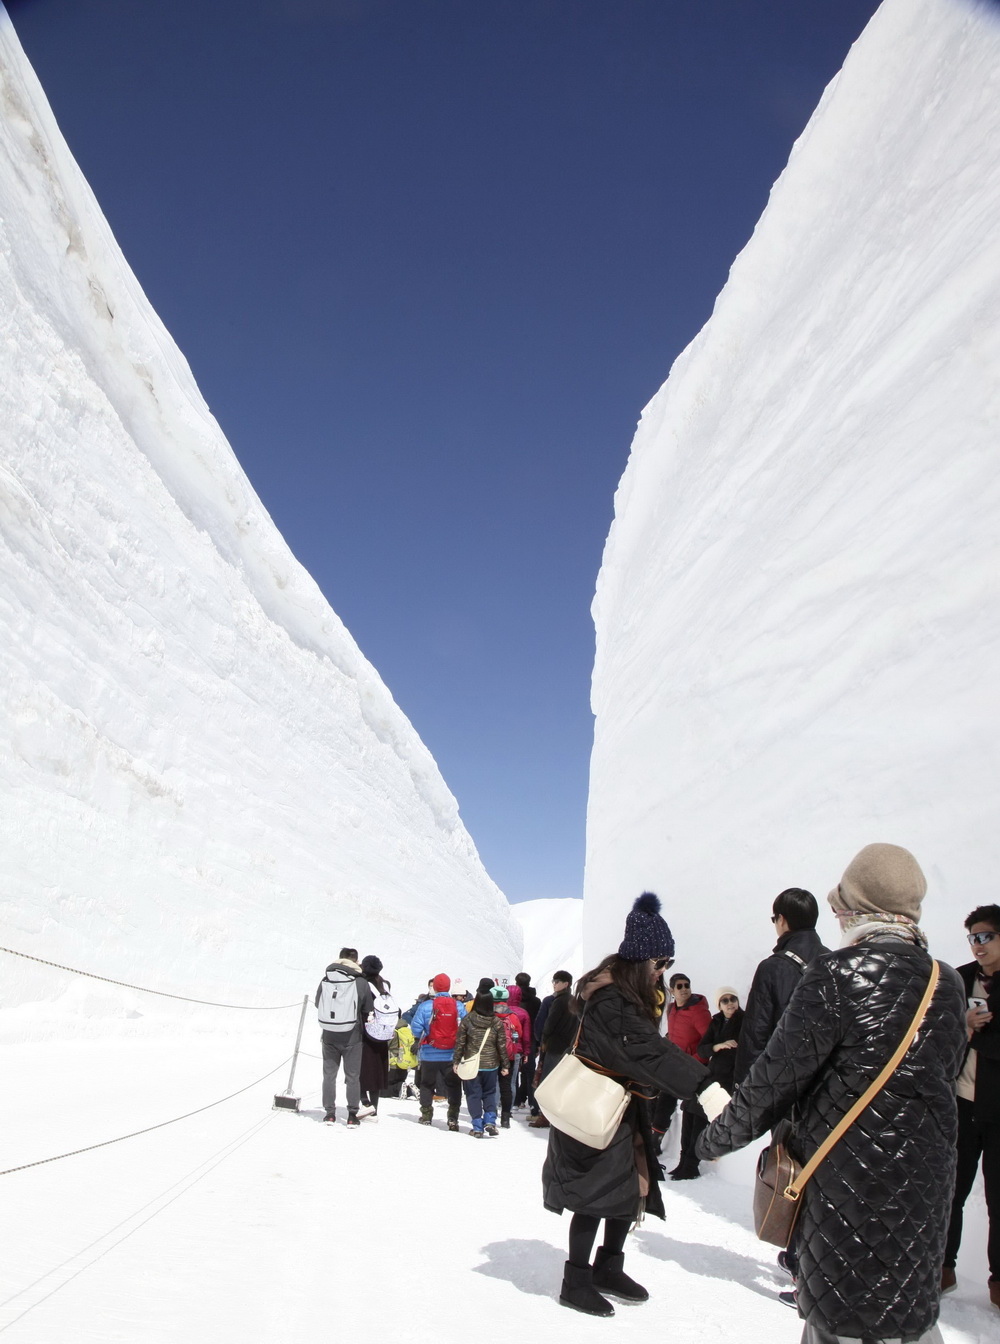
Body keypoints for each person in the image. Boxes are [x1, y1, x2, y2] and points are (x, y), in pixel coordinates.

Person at [697, 843, 967, 1344]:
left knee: (838, 1318)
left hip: (847, 1183)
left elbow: (775, 1079)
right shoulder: (946, 982)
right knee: (908, 1318)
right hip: (925, 1186)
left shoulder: (837, 974)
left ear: (854, 908)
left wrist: (714, 1139)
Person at [542, 892, 728, 1317]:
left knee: (629, 1190)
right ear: (641, 960)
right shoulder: (611, 1001)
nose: (664, 973)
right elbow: (647, 1051)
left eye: (667, 965)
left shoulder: (631, 996)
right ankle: (576, 1280)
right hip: (594, 1110)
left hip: (621, 1108)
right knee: (593, 1197)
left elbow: (647, 1048)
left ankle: (608, 1268)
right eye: (659, 964)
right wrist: (704, 1085)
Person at [943, 903, 1000, 1310]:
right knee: (951, 1191)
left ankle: (999, 1283)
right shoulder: (960, 979)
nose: (977, 945)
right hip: (961, 1105)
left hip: (998, 1111)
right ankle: (942, 1268)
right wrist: (963, 1025)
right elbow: (939, 1037)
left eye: (985, 936)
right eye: (973, 938)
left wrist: (973, 1031)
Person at [734, 887, 828, 1085]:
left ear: (782, 920)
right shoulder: (834, 961)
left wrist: (743, 1089)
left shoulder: (772, 967)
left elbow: (755, 1036)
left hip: (784, 1084)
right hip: (825, 1084)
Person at [651, 971, 711, 1160]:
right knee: (653, 1090)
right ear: (672, 990)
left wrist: (692, 1059)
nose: (684, 989)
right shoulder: (671, 1009)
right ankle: (653, 1135)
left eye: (687, 985)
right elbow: (674, 1034)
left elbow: (708, 1040)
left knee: (667, 1096)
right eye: (680, 986)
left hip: (691, 1066)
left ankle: (656, 1139)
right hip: (674, 1062)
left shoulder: (698, 1012)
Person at [315, 947, 374, 1128]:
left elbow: (319, 1003)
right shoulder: (360, 982)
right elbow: (367, 1009)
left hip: (329, 1035)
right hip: (352, 1036)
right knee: (352, 1077)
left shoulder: (327, 978)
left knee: (329, 1075)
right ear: (356, 961)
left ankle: (330, 1113)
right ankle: (352, 1116)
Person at [409, 973, 466, 1130]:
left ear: (434, 987)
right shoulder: (458, 1006)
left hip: (429, 1053)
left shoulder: (426, 1006)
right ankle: (453, 1118)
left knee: (427, 1084)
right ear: (449, 987)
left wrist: (420, 1038)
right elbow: (465, 1027)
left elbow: (416, 1027)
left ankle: (426, 1115)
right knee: (454, 1086)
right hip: (451, 1054)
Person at [453, 989, 510, 1136]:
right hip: (491, 1065)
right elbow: (502, 1045)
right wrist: (505, 1065)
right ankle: (490, 1120)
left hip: (472, 1064)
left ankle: (477, 1126)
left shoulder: (468, 1019)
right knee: (490, 1092)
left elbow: (460, 1042)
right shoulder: (496, 1022)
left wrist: (456, 1061)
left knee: (473, 1094)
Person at [530, 970, 575, 1128]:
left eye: (557, 981)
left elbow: (549, 1023)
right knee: (562, 1082)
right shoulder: (574, 1001)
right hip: (568, 1048)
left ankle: (544, 1116)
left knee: (547, 1081)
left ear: (566, 983)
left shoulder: (559, 1001)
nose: (554, 984)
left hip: (554, 1046)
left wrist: (543, 1040)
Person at [358, 954, 392, 1118]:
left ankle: (365, 1102)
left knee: (361, 1069)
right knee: (377, 1070)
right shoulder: (384, 985)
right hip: (383, 1033)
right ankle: (375, 1108)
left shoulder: (362, 984)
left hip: (366, 1032)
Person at [696, 987, 744, 1093]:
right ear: (719, 1006)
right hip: (714, 1074)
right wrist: (717, 1046)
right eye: (725, 1000)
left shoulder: (746, 1020)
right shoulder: (716, 1022)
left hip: (734, 1078)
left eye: (733, 999)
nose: (730, 1003)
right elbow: (701, 1050)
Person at [492, 986, 523, 1127]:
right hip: (509, 1055)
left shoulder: (489, 1015)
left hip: (491, 1055)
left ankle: (491, 1114)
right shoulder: (513, 1016)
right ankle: (505, 1118)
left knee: (491, 1086)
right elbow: (519, 1035)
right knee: (506, 1086)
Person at [514, 971, 542, 1114]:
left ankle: (515, 1100)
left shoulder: (513, 1001)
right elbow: (538, 1022)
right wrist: (538, 1043)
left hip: (514, 1038)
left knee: (513, 1070)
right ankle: (532, 1102)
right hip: (530, 1039)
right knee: (529, 1071)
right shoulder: (536, 1001)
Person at [505, 983, 533, 1106]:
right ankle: (512, 1104)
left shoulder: (500, 1011)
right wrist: (527, 1051)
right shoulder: (523, 1013)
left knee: (501, 1077)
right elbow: (526, 1035)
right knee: (513, 1079)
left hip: (501, 1048)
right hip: (517, 1049)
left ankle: (500, 1102)